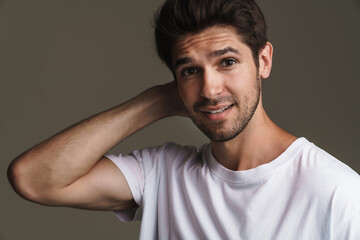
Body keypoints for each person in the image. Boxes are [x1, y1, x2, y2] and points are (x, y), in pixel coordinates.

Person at [7, 0, 360, 239]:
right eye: (190, 70)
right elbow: (33, 178)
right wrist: (155, 102)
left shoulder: (336, 192)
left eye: (227, 62)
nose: (208, 88)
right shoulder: (161, 173)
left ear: (263, 61)